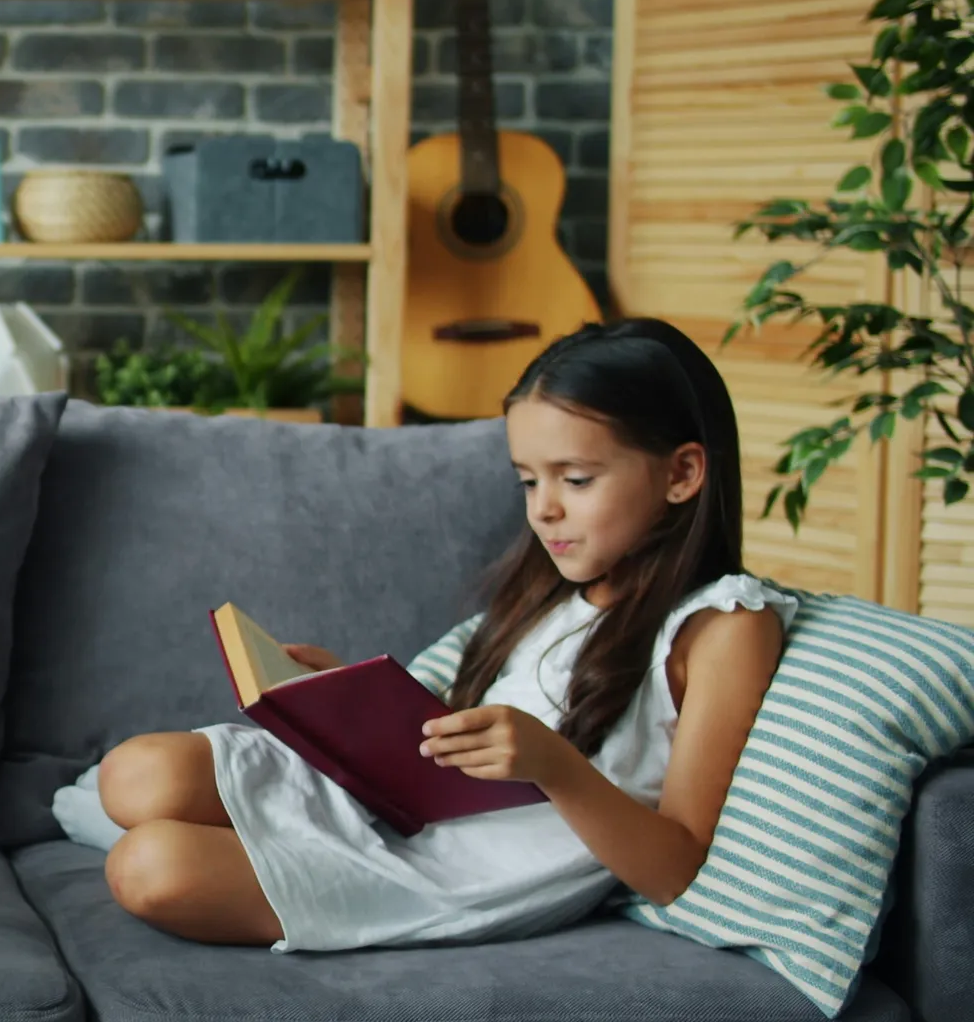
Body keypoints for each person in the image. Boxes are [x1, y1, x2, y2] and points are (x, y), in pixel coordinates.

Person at [86, 318, 791, 950]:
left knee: (150, 868)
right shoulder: (556, 591)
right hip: (408, 806)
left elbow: (677, 867)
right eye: (526, 481)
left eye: (575, 480)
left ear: (683, 473)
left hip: (460, 867)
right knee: (138, 772)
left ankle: (277, 847)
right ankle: (274, 824)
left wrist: (556, 766)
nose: (544, 511)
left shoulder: (724, 627)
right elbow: (463, 741)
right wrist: (350, 704)